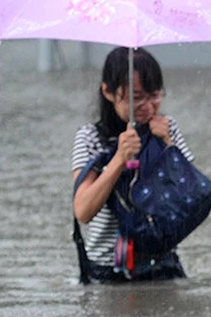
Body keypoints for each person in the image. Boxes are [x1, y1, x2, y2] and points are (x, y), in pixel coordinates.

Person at [70, 46, 195, 283]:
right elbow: (83, 211)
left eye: (155, 95)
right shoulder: (90, 138)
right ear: (108, 91)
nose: (148, 106)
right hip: (107, 271)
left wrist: (168, 146)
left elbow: (189, 197)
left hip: (162, 263)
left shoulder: (167, 129)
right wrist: (119, 159)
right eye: (136, 98)